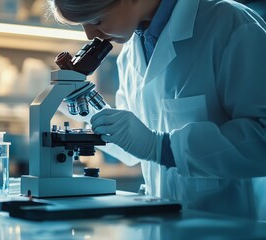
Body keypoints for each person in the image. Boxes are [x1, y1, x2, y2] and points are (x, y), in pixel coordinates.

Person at [47, 0, 266, 220]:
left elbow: (261, 140)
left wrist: (163, 147)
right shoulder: (131, 52)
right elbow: (135, 148)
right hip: (165, 223)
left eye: (96, 20)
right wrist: (89, 113)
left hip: (230, 224)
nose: (89, 35)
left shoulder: (229, 25)